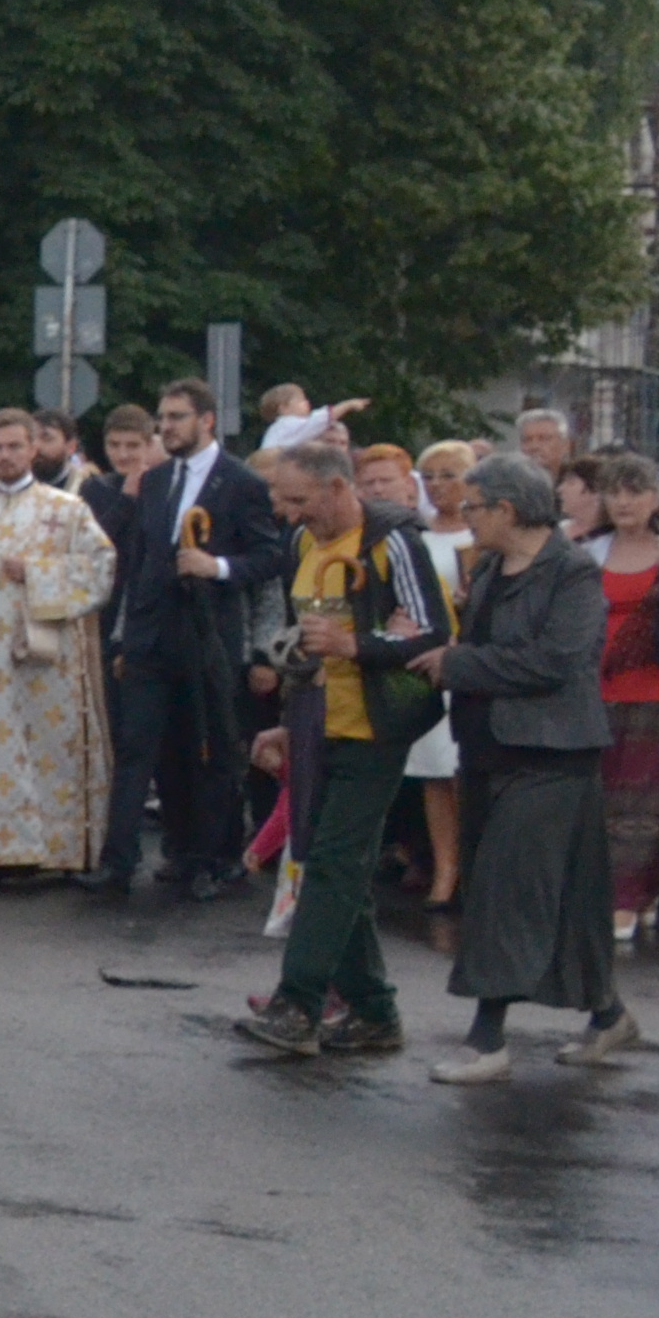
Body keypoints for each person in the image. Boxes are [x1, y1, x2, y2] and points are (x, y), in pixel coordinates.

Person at [226, 437, 451, 1058]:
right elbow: (306, 640)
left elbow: (433, 633)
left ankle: (297, 1004)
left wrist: (361, 645)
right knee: (330, 868)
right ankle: (375, 1012)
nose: (290, 514)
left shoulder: (393, 543)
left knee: (333, 864)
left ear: (336, 488)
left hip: (376, 728)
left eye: (299, 500)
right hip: (315, 722)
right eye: (282, 500)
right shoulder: (302, 543)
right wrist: (284, 720)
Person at [436, 456, 631, 1082]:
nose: (464, 517)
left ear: (507, 510)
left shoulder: (572, 573)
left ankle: (486, 1039)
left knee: (504, 887)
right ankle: (608, 1014)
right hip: (490, 750)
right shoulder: (491, 566)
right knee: (570, 896)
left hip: (554, 755)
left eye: (473, 507)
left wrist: (458, 663)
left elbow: (553, 662)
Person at [89, 378, 284, 903]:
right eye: (163, 418)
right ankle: (121, 860)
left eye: (177, 417)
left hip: (208, 634)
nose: (167, 427)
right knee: (139, 748)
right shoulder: (155, 481)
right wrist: (126, 637)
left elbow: (270, 557)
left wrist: (216, 566)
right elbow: (141, 563)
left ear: (206, 420)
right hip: (153, 634)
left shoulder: (239, 482)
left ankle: (215, 857)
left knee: (212, 746)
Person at [0, 407, 117, 875]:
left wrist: (38, 573)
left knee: (50, 748)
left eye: (15, 446)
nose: (5, 456)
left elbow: (102, 569)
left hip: (48, 653)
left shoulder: (66, 509)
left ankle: (54, 851)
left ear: (33, 449)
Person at [582, 449, 659, 946]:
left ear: (656, 498)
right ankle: (640, 892)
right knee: (604, 802)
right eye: (615, 491)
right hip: (599, 692)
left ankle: (625, 903)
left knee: (647, 805)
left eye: (635, 491)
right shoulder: (591, 551)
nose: (624, 501)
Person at [404, 442, 481, 907]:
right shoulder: (416, 534)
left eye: (448, 475)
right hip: (429, 656)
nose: (436, 486)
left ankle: (474, 867)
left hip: (469, 657)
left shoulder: (480, 535)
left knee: (464, 772)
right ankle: (444, 867)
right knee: (434, 772)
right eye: (428, 476)